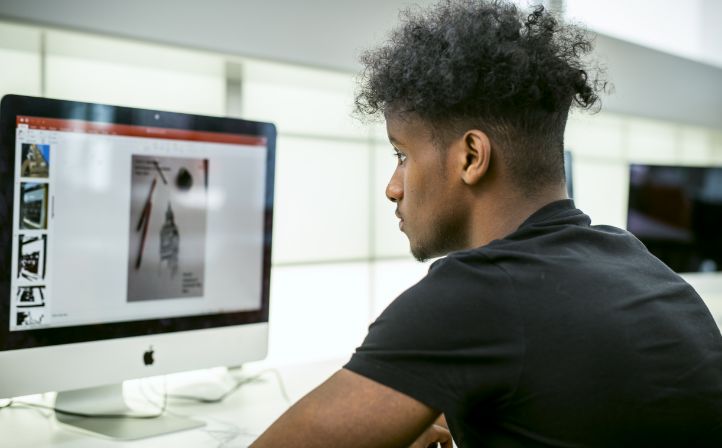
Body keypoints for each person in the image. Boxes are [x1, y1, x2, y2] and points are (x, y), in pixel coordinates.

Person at [252, 1, 722, 446]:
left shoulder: (475, 295)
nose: (393, 187)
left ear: (472, 156)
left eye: (402, 156)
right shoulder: (637, 264)